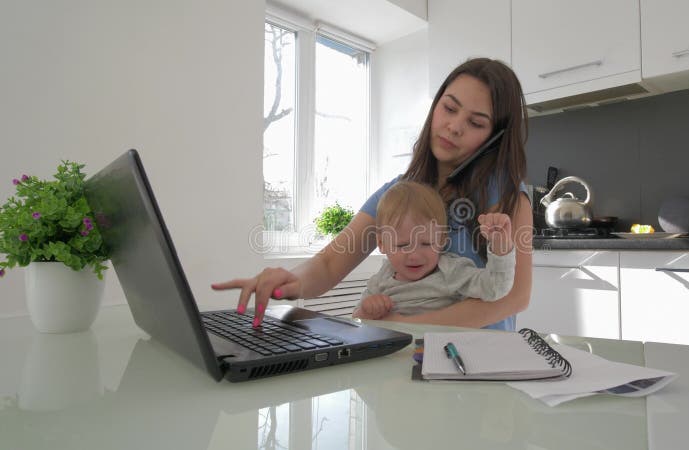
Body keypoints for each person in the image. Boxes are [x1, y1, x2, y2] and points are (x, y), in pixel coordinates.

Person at [212, 57, 532, 330]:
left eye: (475, 123)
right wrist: (291, 282)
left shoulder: (506, 197)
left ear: (495, 138)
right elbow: (328, 264)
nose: (454, 126)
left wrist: (402, 328)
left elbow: (515, 296)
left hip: (478, 368)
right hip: (408, 361)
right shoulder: (395, 193)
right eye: (449, 108)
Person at [353, 181, 515, 319]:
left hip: (443, 351)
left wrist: (500, 245)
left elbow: (495, 288)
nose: (415, 256)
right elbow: (356, 319)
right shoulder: (381, 278)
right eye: (402, 245)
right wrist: (367, 311)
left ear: (442, 240)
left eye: (426, 243)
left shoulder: (451, 270)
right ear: (382, 244)